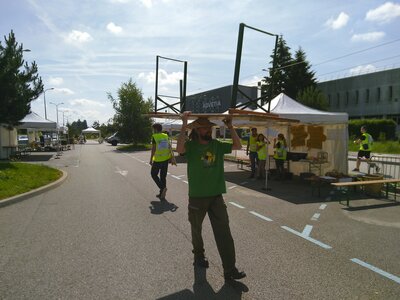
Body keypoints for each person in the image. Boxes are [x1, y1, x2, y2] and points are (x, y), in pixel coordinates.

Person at [176, 112, 246, 281]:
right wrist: (184, 124)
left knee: (224, 232)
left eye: (209, 127)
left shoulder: (217, 145)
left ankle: (229, 269)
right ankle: (199, 256)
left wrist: (230, 126)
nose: (208, 130)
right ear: (197, 130)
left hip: (216, 197)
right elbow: (179, 149)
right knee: (196, 230)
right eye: (204, 128)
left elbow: (238, 146)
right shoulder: (191, 146)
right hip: (197, 197)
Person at [150, 123, 172, 200]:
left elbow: (153, 149)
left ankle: (162, 188)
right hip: (165, 159)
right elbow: (169, 146)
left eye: (153, 129)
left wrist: (150, 159)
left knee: (153, 174)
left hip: (158, 160)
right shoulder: (165, 136)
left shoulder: (155, 137)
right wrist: (171, 157)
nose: (153, 131)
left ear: (156, 129)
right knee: (163, 177)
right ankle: (162, 194)